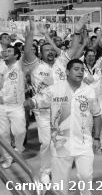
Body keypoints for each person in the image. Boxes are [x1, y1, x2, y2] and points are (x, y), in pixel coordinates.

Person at [25, 59, 102, 195]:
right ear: (67, 71)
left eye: (81, 69)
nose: (80, 72)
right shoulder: (54, 89)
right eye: (76, 69)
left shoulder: (89, 91)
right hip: (60, 144)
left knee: (85, 176)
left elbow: (97, 114)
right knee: (60, 185)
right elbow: (37, 100)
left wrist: (97, 138)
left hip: (83, 142)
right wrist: (29, 102)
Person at [23, 18, 84, 184]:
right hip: (42, 112)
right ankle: (45, 170)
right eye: (45, 50)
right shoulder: (35, 65)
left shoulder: (61, 63)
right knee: (46, 142)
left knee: (61, 139)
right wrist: (30, 35)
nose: (50, 52)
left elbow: (73, 48)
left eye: (51, 49)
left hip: (62, 110)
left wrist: (77, 31)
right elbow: (28, 51)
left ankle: (59, 165)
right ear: (40, 53)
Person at [0, 45, 26, 169]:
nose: (5, 52)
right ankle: (7, 157)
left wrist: (29, 35)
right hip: (1, 106)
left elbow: (26, 54)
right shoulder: (1, 65)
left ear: (16, 55)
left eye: (9, 51)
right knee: (2, 133)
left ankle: (18, 150)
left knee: (20, 131)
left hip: (16, 106)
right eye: (5, 51)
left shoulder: (20, 65)